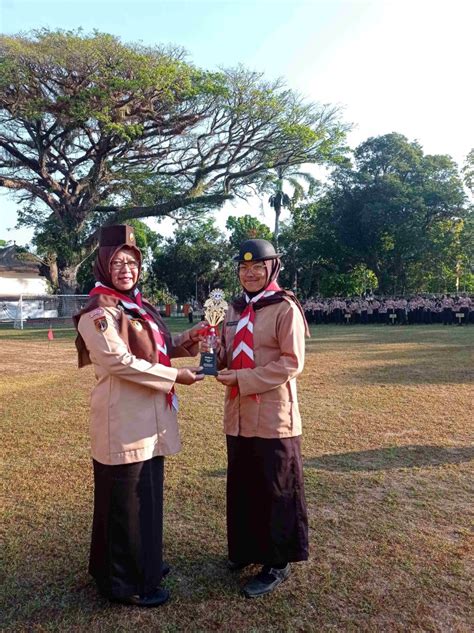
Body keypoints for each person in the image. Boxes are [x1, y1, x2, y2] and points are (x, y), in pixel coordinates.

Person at [74, 225, 204, 607]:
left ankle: (144, 563)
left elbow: (156, 349)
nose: (126, 269)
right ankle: (124, 583)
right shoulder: (99, 312)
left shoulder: (135, 306)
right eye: (117, 262)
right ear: (102, 266)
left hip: (150, 418)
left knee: (145, 495)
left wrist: (187, 340)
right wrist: (175, 376)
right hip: (123, 420)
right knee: (124, 502)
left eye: (132, 262)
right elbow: (120, 361)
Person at [215, 239, 310, 598]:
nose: (250, 273)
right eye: (243, 268)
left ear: (272, 269)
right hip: (238, 414)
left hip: (273, 415)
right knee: (243, 484)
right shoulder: (234, 309)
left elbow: (291, 363)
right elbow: (226, 354)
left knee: (275, 488)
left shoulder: (284, 307)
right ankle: (246, 550)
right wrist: (213, 351)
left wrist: (243, 378)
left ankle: (277, 561)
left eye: (258, 267)